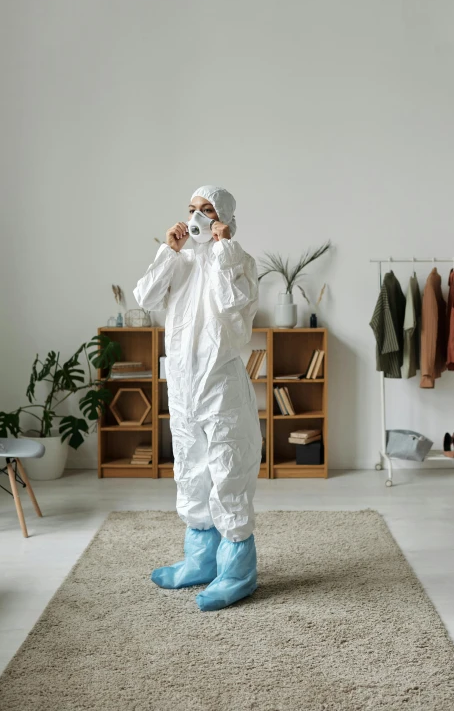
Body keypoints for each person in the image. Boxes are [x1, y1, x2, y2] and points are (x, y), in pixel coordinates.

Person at [133, 186, 262, 611]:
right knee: (190, 469)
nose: (197, 218)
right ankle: (200, 560)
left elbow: (233, 303)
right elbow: (146, 299)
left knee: (227, 470)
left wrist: (225, 248)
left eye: (207, 210)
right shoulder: (181, 260)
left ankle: (237, 571)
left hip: (221, 383)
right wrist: (169, 252)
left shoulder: (239, 261)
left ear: (223, 216)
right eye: (191, 210)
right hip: (184, 386)